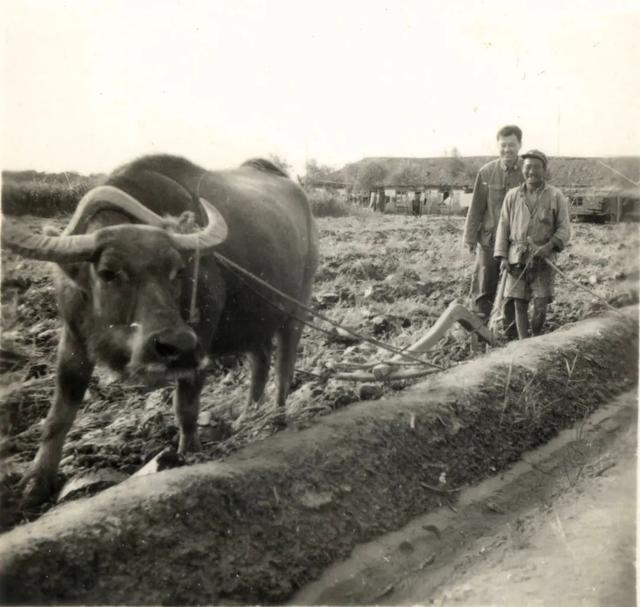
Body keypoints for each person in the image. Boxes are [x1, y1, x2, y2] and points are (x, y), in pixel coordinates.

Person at [494, 149, 571, 339]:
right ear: (522, 169)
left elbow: (564, 229)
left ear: (544, 170)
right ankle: (523, 342)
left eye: (536, 167)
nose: (531, 172)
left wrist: (549, 246)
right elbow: (503, 226)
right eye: (527, 167)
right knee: (519, 303)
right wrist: (503, 256)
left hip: (543, 261)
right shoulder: (512, 196)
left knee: (540, 305)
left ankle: (536, 338)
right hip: (516, 259)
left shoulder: (555, 196)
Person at [463, 125, 525, 337]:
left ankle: (509, 335)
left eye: (512, 145)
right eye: (504, 145)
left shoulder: (528, 172)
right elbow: (476, 207)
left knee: (513, 290)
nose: (508, 149)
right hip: (489, 241)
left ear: (520, 146)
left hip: (516, 244)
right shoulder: (486, 172)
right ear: (498, 146)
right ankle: (478, 334)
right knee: (484, 287)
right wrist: (470, 237)